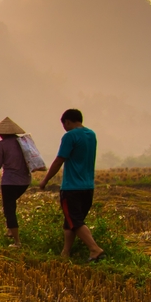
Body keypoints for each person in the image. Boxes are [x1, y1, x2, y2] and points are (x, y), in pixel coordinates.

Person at [39, 109, 105, 262]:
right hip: (88, 187)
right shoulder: (91, 135)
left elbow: (59, 160)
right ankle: (65, 253)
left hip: (72, 187)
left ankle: (95, 249)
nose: (65, 127)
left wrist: (45, 180)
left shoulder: (70, 136)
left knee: (75, 221)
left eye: (64, 124)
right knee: (70, 222)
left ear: (67, 121)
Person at [0, 117, 30, 246]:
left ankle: (17, 242)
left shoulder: (2, 145)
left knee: (9, 209)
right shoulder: (22, 143)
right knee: (11, 205)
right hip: (25, 181)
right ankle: (10, 230)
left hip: (10, 181)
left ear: (2, 133)